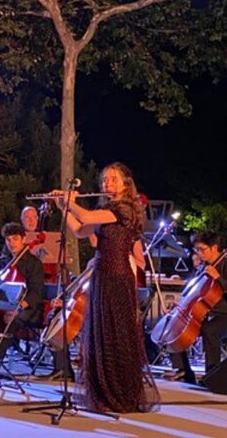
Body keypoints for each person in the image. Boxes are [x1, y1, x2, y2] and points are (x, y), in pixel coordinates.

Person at [54, 162, 159, 413]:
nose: (107, 184)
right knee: (100, 333)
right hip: (101, 276)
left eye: (113, 179)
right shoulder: (106, 209)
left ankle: (120, 393)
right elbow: (80, 230)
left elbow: (87, 216)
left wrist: (71, 201)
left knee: (116, 334)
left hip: (118, 276)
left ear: (125, 183)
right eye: (104, 180)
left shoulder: (126, 209)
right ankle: (103, 392)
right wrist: (62, 207)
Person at [170, 230, 227, 384]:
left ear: (214, 248)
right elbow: (193, 291)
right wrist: (180, 305)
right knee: (177, 327)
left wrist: (219, 279)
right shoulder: (203, 267)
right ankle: (184, 370)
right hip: (209, 313)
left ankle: (213, 375)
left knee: (209, 330)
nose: (198, 253)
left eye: (202, 249)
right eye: (196, 249)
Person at [0, 223, 46, 371]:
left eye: (15, 239)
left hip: (27, 308)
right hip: (2, 306)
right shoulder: (2, 262)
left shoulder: (33, 263)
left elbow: (36, 292)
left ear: (23, 239)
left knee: (12, 319)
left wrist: (18, 307)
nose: (11, 243)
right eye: (8, 240)